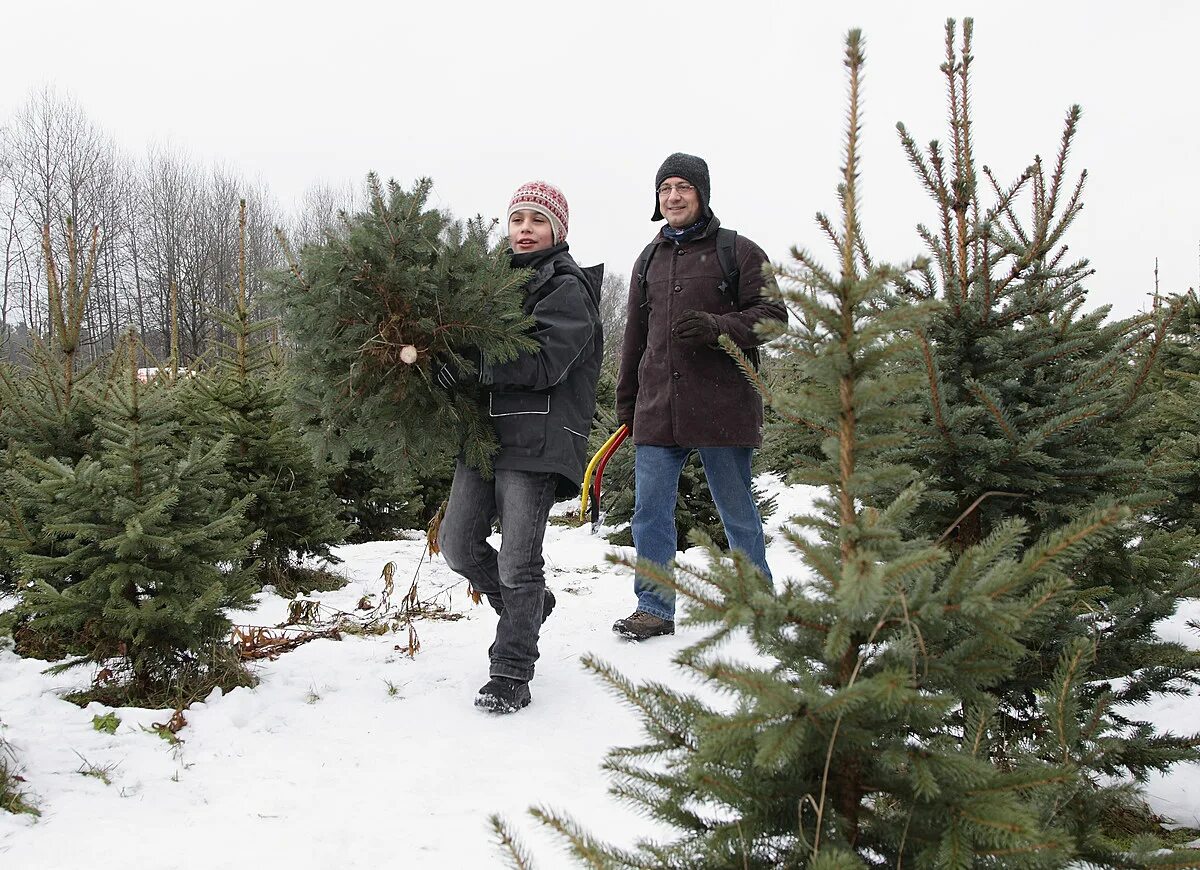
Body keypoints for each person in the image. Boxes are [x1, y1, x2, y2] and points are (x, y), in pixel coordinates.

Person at [437, 181, 603, 712]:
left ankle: (511, 670)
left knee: (517, 563)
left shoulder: (568, 288)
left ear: (558, 229)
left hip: (538, 439)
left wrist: (475, 364)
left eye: (537, 220)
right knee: (458, 545)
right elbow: (464, 347)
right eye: (517, 219)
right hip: (484, 434)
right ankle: (530, 608)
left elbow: (545, 362)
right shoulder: (488, 288)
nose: (525, 229)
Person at [612, 153, 786, 641]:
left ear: (701, 193)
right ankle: (654, 607)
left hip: (723, 406)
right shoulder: (648, 259)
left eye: (682, 187)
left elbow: (774, 317)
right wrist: (628, 405)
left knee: (736, 510)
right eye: (665, 188)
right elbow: (635, 337)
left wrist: (717, 327)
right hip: (657, 408)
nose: (673, 196)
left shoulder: (741, 251)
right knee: (649, 511)